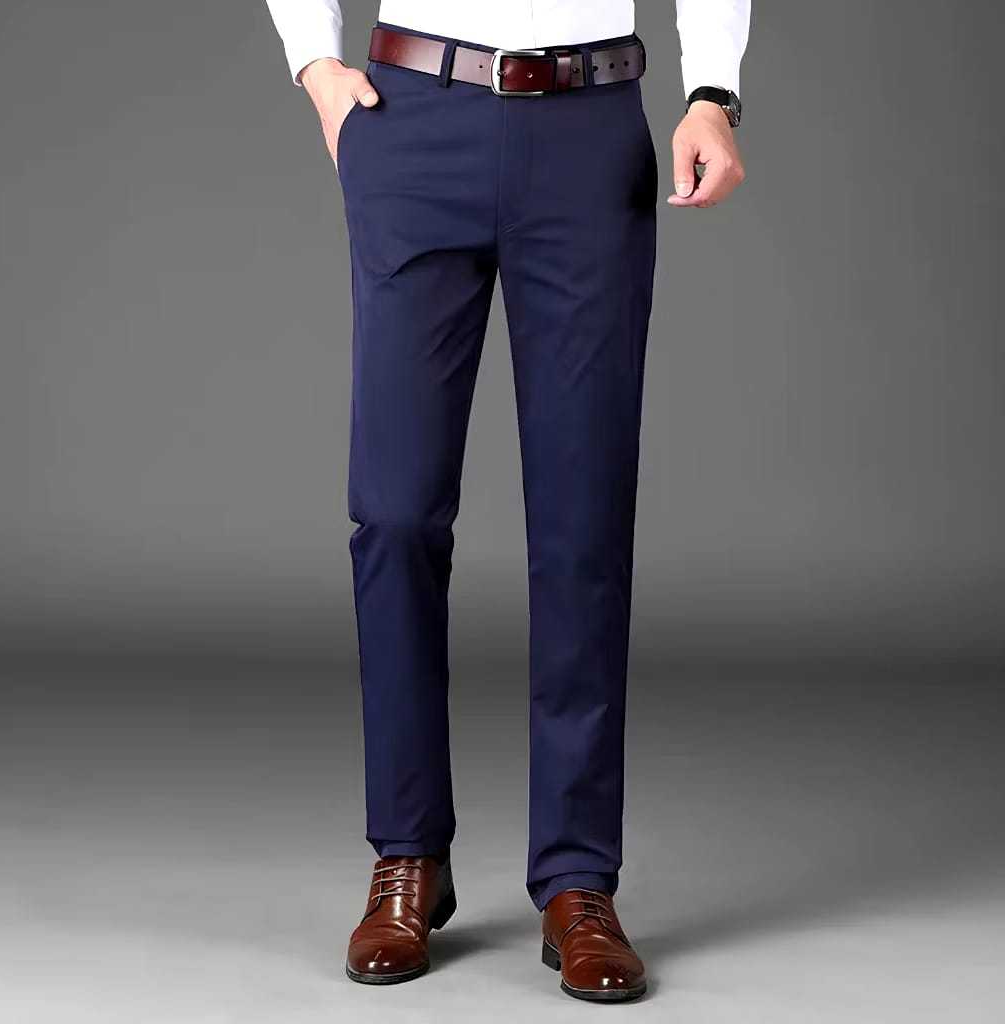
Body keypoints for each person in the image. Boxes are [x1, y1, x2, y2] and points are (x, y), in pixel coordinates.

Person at [263, 0, 749, 1003]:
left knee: (583, 515)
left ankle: (577, 877)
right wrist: (314, 64)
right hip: (414, 119)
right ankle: (408, 854)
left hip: (587, 126)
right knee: (393, 510)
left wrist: (712, 91)